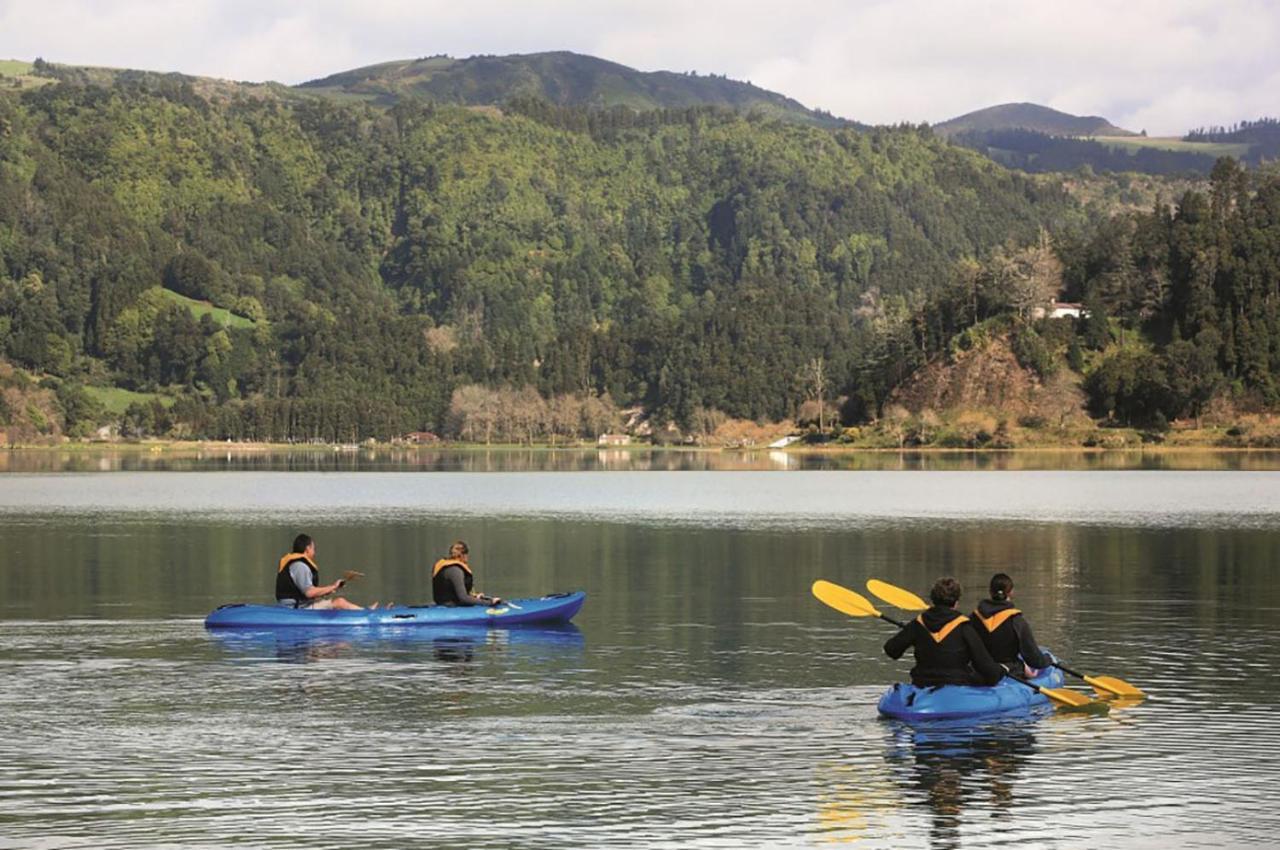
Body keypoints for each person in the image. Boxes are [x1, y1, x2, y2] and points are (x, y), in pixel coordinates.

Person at [883, 577, 1005, 687]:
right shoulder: (964, 626)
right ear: (956, 602)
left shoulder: (918, 623)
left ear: (933, 600)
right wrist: (1000, 671)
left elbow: (891, 650)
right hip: (957, 683)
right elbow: (985, 665)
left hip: (922, 682)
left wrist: (915, 636)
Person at [971, 573, 1052, 677]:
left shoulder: (973, 618)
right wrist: (1047, 660)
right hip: (1009, 670)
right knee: (1025, 668)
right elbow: (1034, 660)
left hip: (979, 670)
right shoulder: (1017, 621)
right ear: (1011, 593)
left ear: (990, 592)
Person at [275, 533, 367, 610]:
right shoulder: (300, 566)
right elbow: (309, 592)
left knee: (334, 603)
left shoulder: (297, 564)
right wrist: (333, 586)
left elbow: (307, 593)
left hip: (297, 606)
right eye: (313, 549)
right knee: (339, 602)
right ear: (307, 549)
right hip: (295, 609)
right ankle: (366, 613)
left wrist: (331, 589)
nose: (314, 552)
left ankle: (362, 611)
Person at [432, 540, 503, 607]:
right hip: (452, 607)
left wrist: (475, 597)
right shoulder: (456, 571)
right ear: (463, 555)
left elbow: (454, 593)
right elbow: (463, 598)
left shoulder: (445, 566)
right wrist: (489, 603)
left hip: (443, 605)